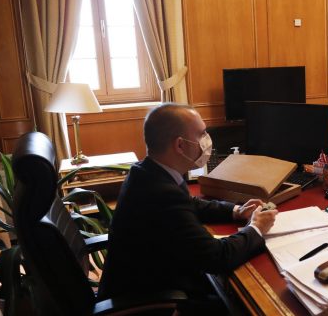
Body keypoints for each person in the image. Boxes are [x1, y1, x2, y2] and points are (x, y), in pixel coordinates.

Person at [98, 103, 277, 312]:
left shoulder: (148, 171)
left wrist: (235, 211)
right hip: (151, 299)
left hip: (153, 276)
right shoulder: (161, 193)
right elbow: (216, 257)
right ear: (180, 146)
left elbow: (190, 203)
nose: (207, 141)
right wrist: (256, 228)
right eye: (201, 134)